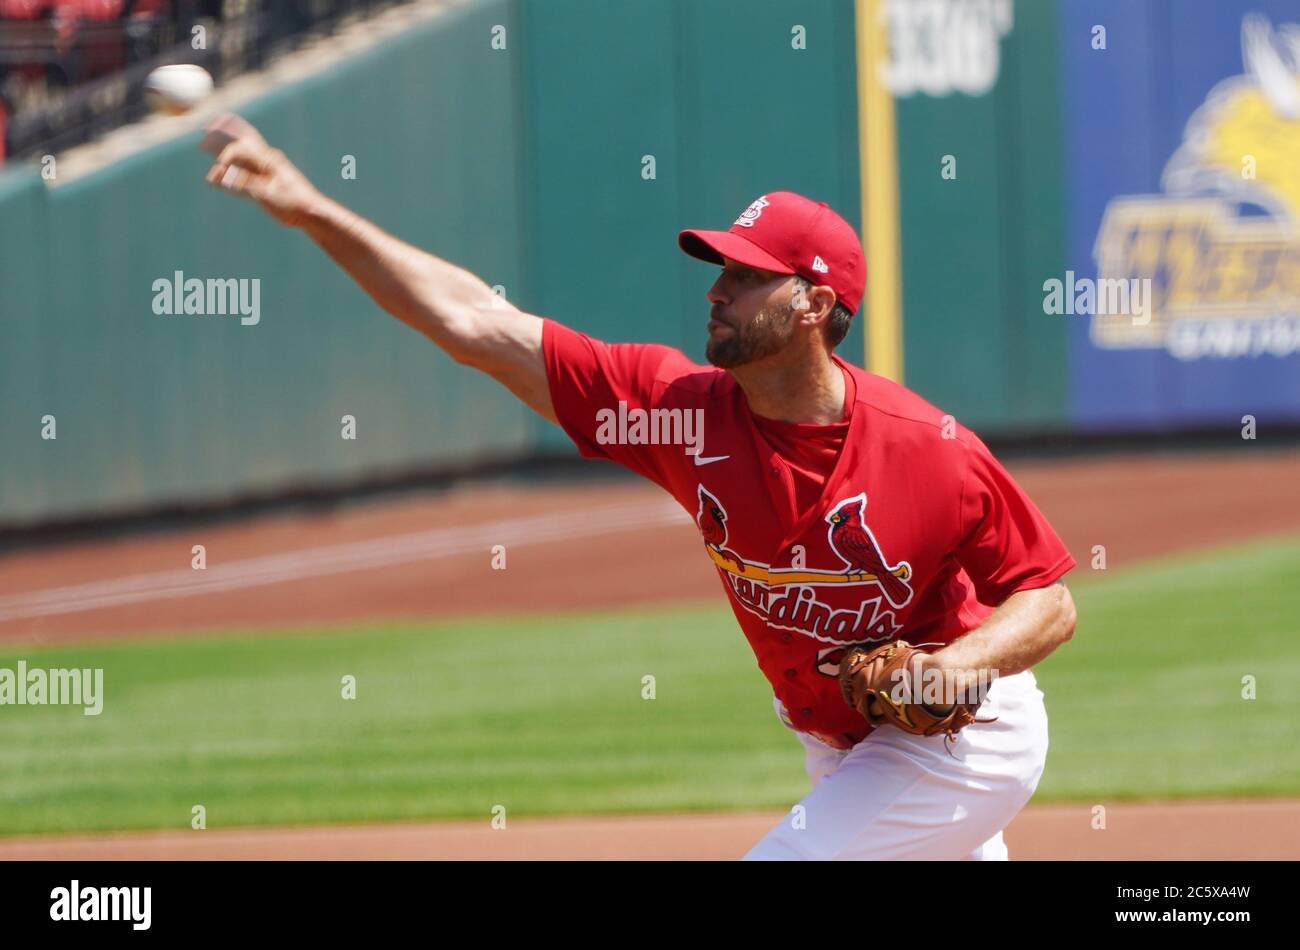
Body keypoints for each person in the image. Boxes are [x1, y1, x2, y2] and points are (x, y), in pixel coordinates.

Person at [201, 114, 1078, 860]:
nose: (717, 291)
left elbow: (1048, 599)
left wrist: (956, 664)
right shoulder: (676, 413)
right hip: (842, 743)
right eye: (718, 269)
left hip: (969, 737)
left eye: (745, 275)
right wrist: (311, 210)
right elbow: (477, 324)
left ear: (814, 304)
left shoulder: (925, 447)